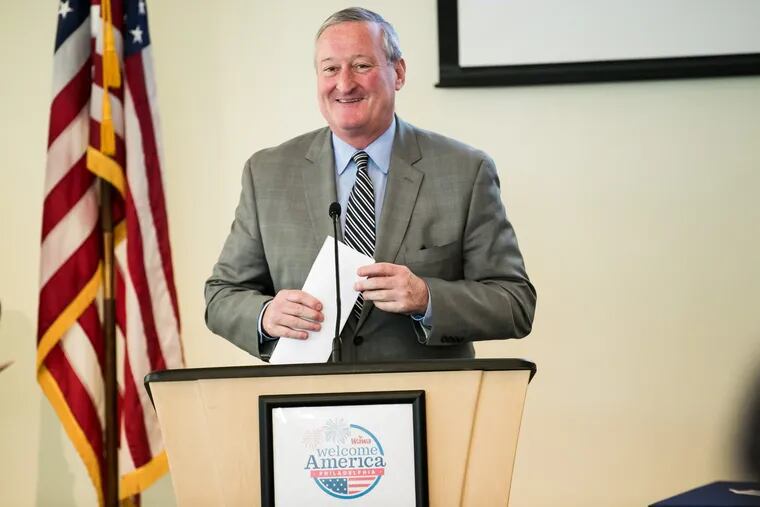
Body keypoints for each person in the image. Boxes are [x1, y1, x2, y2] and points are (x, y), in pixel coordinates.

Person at [204, 7, 536, 362]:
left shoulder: (465, 171)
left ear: (399, 72)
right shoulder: (267, 173)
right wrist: (265, 316)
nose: (345, 83)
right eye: (330, 69)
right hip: (308, 395)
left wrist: (426, 297)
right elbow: (222, 296)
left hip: (428, 392)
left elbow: (514, 303)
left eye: (362, 65)